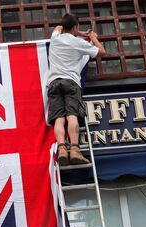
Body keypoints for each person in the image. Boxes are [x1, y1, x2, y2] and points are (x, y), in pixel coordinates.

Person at [47, 13, 106, 166]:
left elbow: (59, 27)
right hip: (71, 82)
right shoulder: (77, 43)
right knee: (72, 115)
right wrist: (92, 37)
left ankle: (61, 149)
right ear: (75, 27)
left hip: (53, 82)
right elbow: (102, 52)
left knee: (58, 118)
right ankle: (74, 150)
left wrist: (76, 31)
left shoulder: (55, 38)